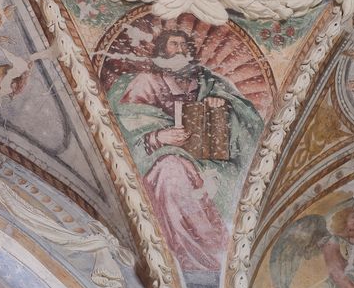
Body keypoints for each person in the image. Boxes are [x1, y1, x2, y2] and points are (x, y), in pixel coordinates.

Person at [107, 28, 263, 272]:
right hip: (159, 157)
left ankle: (217, 253)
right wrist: (158, 137)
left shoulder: (206, 81)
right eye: (174, 44)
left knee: (224, 182)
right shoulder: (147, 81)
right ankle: (190, 257)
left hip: (208, 161)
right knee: (171, 172)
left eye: (184, 45)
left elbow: (245, 119)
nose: (180, 49)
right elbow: (125, 125)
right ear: (161, 50)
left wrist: (220, 103)